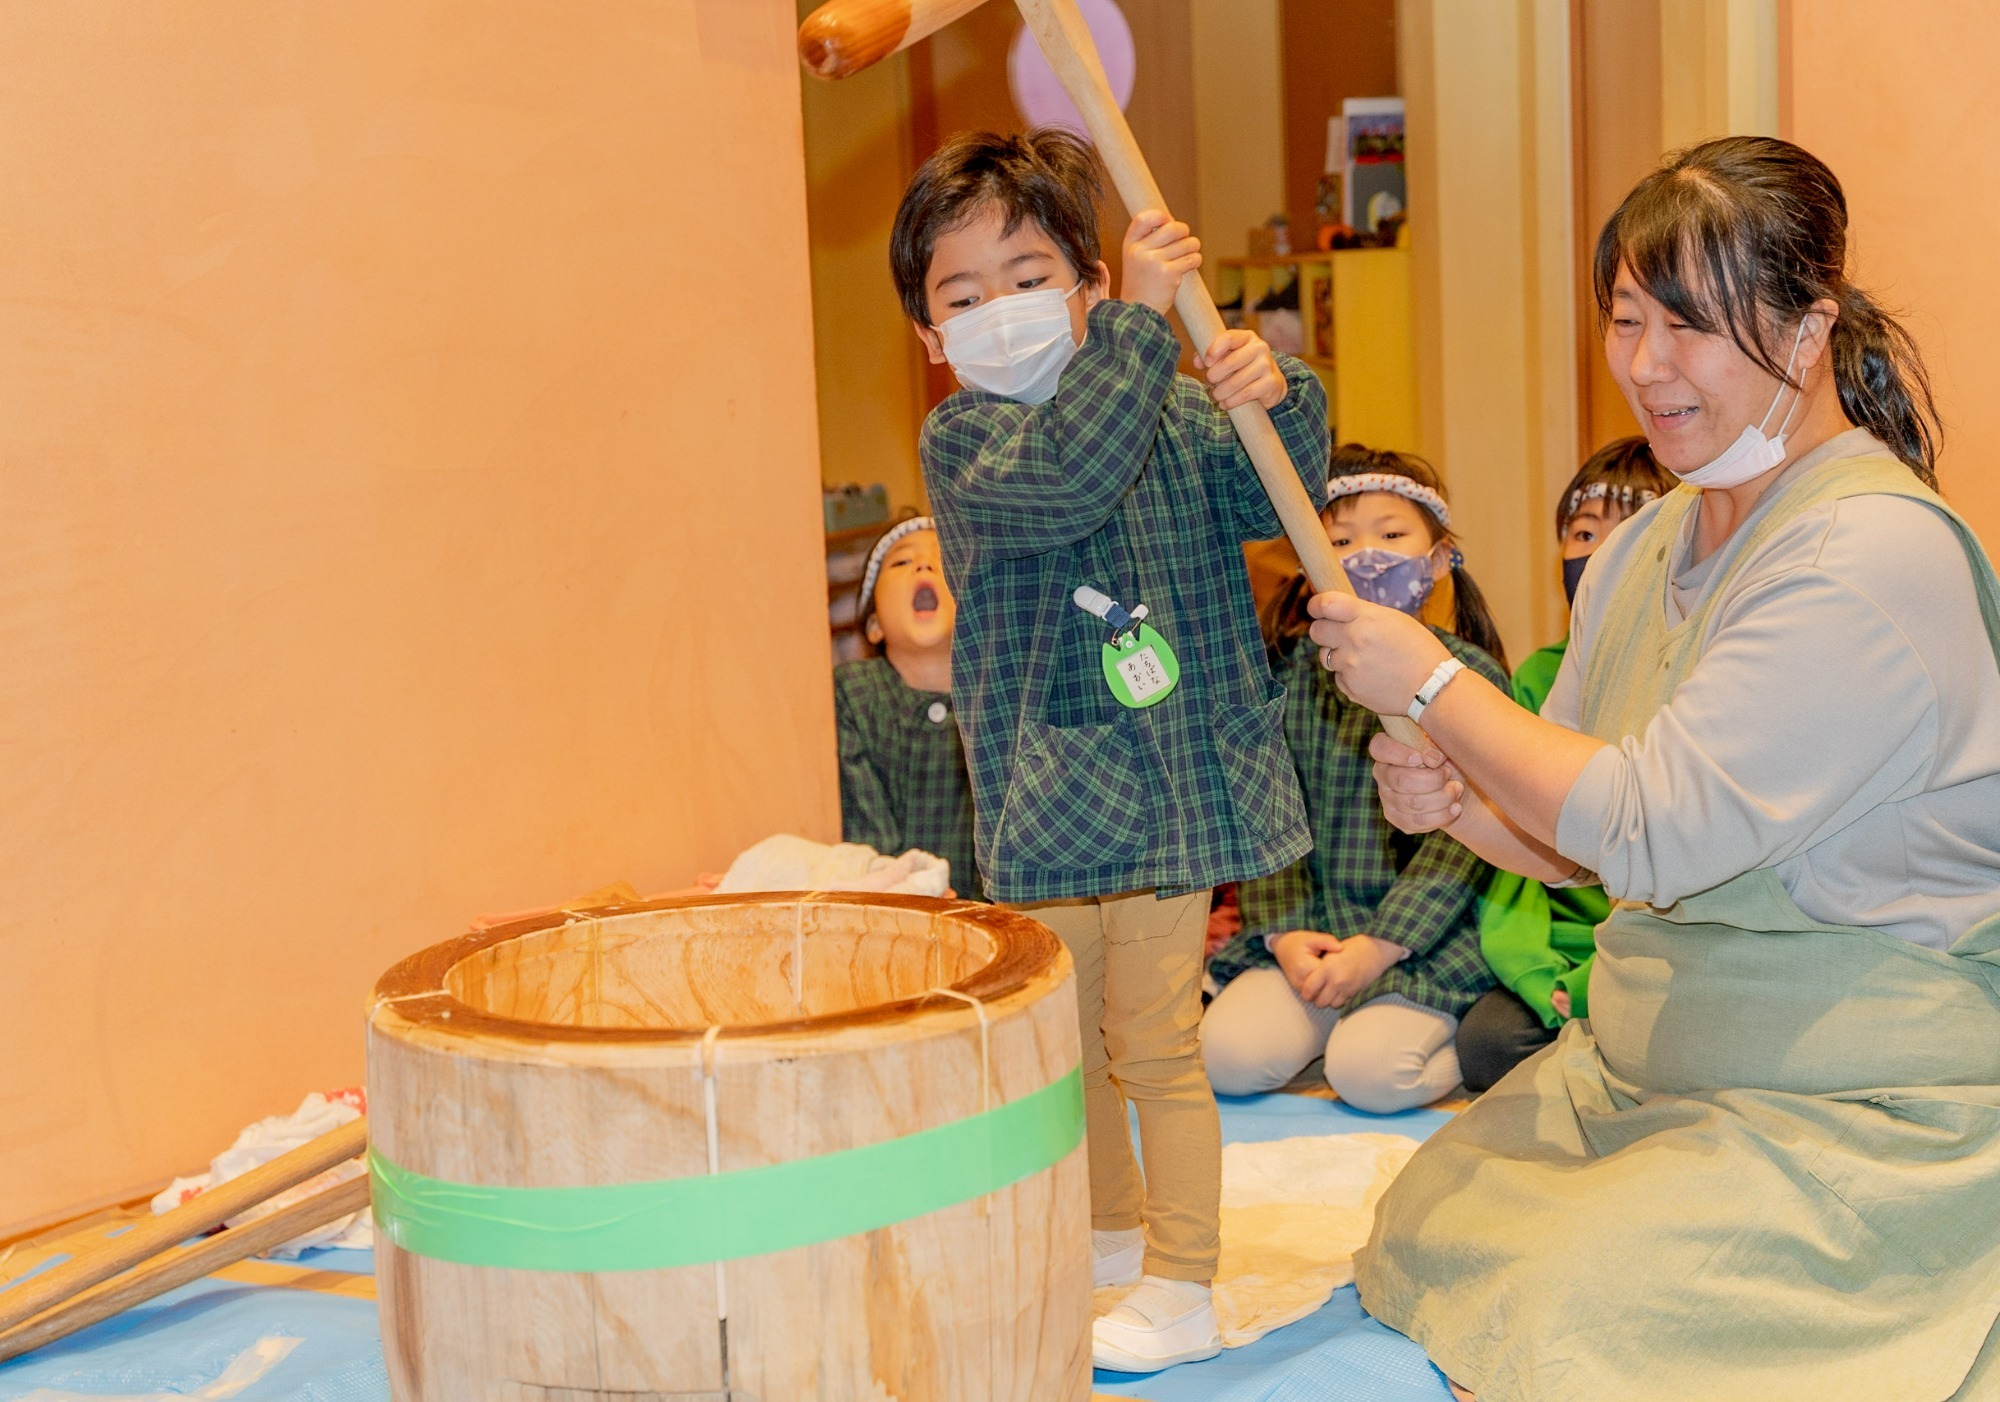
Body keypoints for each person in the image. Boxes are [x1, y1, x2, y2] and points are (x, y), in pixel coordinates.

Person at [1308, 135, 2000, 1399]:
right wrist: (1462, 799)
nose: (1644, 365)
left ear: (1809, 328)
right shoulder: (1648, 546)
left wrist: (1430, 682)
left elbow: (1649, 828)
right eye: (1627, 320)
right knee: (1425, 1229)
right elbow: (1569, 831)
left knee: (1561, 1299)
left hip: (1850, 1101)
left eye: (1691, 325)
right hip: (1641, 1070)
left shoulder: (1870, 554)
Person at [891, 128, 1330, 1371]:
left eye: (1027, 277)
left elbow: (1277, 500)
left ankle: (1182, 1283)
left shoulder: (1172, 407)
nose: (998, 312)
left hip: (1174, 788)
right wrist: (1140, 337)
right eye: (961, 296)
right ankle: (1105, 1235)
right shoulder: (964, 446)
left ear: (1087, 281)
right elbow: (1069, 479)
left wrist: (1271, 395)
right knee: (1059, 1045)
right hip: (1045, 801)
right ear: (931, 339)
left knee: (1155, 1043)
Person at [1202, 447, 1506, 1112]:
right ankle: (1333, 1015)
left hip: (1425, 939)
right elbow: (1264, 815)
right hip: (1314, 926)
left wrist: (1381, 945)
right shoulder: (1287, 681)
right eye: (1339, 540)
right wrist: (1285, 935)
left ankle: (1425, 1036)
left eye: (1392, 534)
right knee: (1226, 1056)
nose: (1366, 554)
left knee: (1370, 1077)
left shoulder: (1471, 678)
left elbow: (1467, 838)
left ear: (1438, 560)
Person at [1455, 436, 1674, 1091]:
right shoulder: (1539, 677)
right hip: (1557, 951)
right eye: (1582, 532)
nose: (1600, 553)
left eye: (1629, 530)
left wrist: (1593, 985)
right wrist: (1540, 974)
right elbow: (1519, 841)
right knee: (1488, 1047)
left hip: (1657, 951)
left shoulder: (1689, 674)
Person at [832, 516, 979, 897]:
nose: (924, 565)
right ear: (875, 623)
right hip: (891, 908)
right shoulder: (853, 694)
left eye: (945, 557)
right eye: (901, 562)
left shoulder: (999, 699)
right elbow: (865, 829)